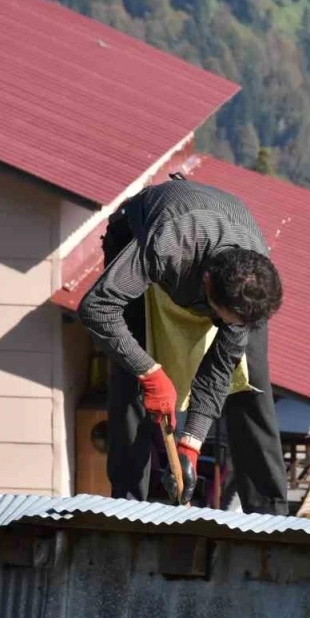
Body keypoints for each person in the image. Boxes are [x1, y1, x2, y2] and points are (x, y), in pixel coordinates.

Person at [78, 176, 289, 513]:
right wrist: (150, 373)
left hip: (220, 233)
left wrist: (190, 444)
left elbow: (220, 369)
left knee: (251, 383)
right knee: (130, 379)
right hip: (141, 231)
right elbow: (96, 308)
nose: (228, 328)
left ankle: (272, 517)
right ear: (207, 287)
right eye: (224, 319)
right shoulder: (166, 246)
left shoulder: (253, 282)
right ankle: (128, 508)